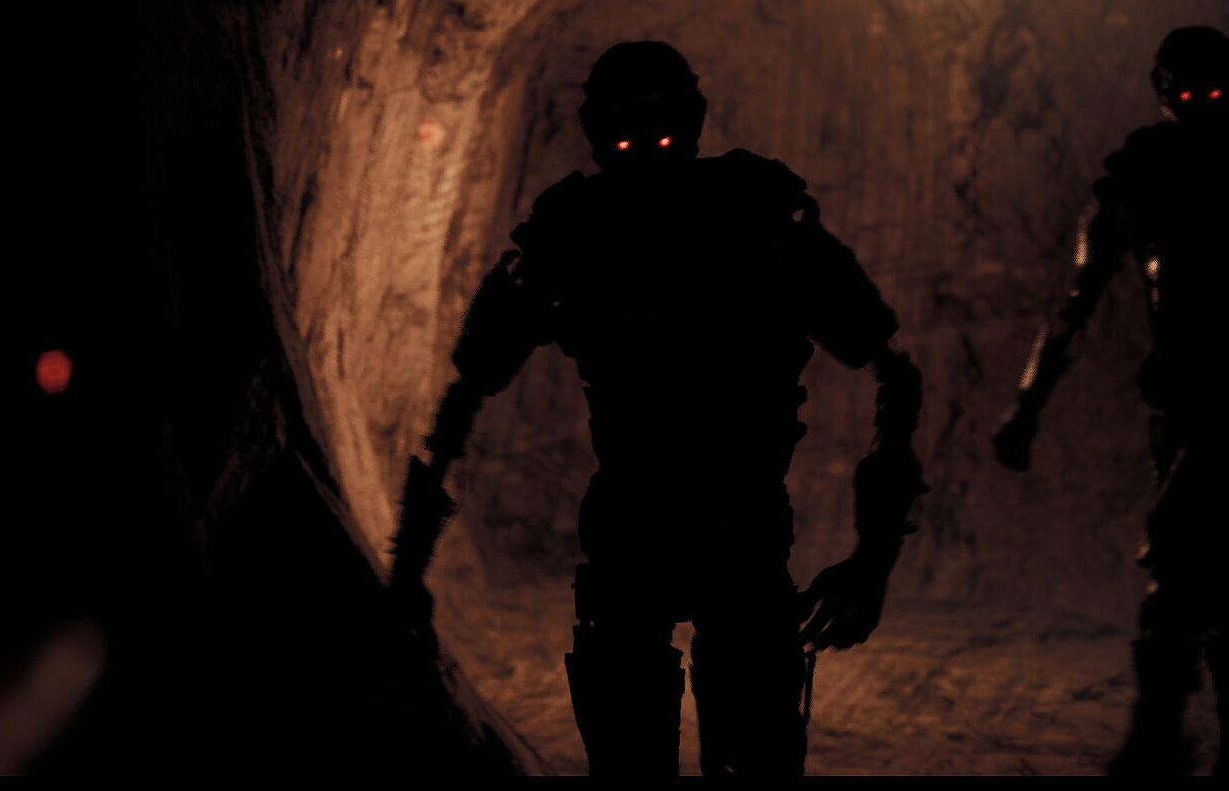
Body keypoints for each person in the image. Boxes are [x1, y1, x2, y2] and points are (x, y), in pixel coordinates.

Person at [389, 41, 926, 775]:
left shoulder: (725, 218)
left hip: (708, 535)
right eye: (625, 134)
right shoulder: (622, 226)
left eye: (660, 130)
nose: (644, 149)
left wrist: (874, 560)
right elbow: (470, 384)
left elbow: (467, 392)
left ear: (692, 121)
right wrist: (873, 559)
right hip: (668, 535)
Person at [993, 26, 1229, 776]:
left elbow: (1075, 307)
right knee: (1193, 567)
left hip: (1205, 407)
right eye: (1188, 90)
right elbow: (1077, 303)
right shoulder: (1143, 174)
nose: (1199, 104)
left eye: (1211, 90)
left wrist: (1027, 412)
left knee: (1182, 557)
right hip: (1188, 406)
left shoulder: (1149, 171)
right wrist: (1026, 410)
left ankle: (1158, 743)